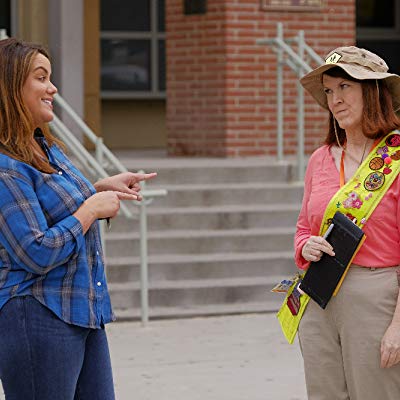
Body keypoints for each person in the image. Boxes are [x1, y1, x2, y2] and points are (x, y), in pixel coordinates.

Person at [0, 37, 157, 399]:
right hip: (36, 314)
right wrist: (91, 209)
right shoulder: (7, 167)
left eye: (50, 77)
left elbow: (56, 207)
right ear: (9, 86)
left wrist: (100, 189)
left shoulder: (46, 147)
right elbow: (35, 251)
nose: (52, 87)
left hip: (83, 311)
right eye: (40, 77)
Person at [295, 46, 400, 399]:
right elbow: (302, 228)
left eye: (344, 87)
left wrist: (399, 326)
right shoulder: (320, 159)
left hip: (376, 297)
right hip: (319, 295)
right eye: (328, 91)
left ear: (372, 91)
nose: (334, 99)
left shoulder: (396, 159)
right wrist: (305, 246)